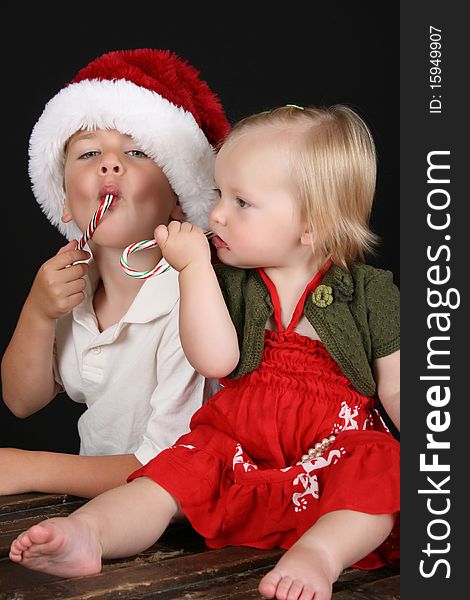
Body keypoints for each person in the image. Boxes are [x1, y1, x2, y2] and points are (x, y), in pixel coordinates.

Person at [9, 105, 400, 600]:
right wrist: (194, 269)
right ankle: (91, 533)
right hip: (237, 444)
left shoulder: (369, 293)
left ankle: (319, 555)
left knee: (379, 469)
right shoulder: (227, 281)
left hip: (332, 446)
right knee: (168, 476)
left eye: (242, 202)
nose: (215, 213)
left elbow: (398, 384)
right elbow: (215, 361)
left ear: (311, 225)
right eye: (219, 194)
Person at [1, 48, 230, 498]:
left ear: (179, 197)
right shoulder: (72, 287)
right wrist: (38, 313)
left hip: (180, 510)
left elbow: (171, 465)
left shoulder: (192, 297)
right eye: (88, 153)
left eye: (137, 151)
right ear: (64, 199)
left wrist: (27, 468)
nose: (109, 163)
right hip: (105, 509)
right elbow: (21, 400)